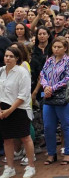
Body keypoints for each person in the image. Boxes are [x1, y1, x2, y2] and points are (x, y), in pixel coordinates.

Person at [0, 47, 36, 178]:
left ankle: (31, 166)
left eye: (11, 56)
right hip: (3, 109)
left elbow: (24, 94)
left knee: (25, 137)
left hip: (19, 108)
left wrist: (10, 110)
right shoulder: (1, 71)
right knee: (7, 139)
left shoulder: (22, 72)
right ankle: (9, 168)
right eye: (6, 55)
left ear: (17, 58)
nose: (7, 58)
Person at [40, 36, 69, 166]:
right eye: (54, 47)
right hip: (48, 97)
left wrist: (52, 88)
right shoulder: (49, 60)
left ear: (65, 48)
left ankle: (68, 153)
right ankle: (51, 153)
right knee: (48, 127)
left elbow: (67, 78)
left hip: (64, 96)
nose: (56, 49)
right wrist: (46, 87)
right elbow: (42, 74)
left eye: (59, 47)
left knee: (66, 125)